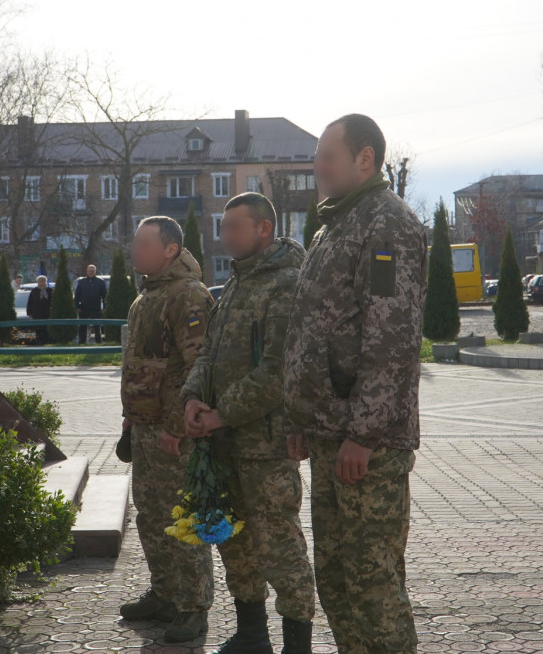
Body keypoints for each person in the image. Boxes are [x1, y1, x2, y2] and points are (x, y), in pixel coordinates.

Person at [283, 114, 427, 654]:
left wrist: (364, 434)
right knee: (338, 581)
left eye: (327, 156)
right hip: (330, 437)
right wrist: (302, 421)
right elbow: (315, 330)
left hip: (364, 446)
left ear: (365, 159)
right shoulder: (335, 225)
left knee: (373, 586)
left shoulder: (385, 224)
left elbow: (391, 338)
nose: (317, 167)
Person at [182, 193, 315, 654]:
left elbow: (279, 371)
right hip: (223, 444)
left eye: (234, 227)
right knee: (233, 541)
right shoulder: (235, 285)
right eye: (223, 227)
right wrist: (194, 397)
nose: (225, 237)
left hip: (265, 445)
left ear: (263, 229)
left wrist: (223, 411)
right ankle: (252, 634)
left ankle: (297, 644)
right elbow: (207, 352)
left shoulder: (286, 284)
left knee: (280, 546)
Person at [119, 216, 215, 643]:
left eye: (143, 244)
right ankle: (165, 593)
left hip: (174, 435)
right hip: (145, 430)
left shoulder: (188, 296)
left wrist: (178, 427)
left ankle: (193, 608)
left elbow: (200, 369)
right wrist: (131, 415)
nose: (135, 250)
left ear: (170, 251)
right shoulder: (146, 296)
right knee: (151, 516)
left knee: (185, 520)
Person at [73, 263, 109, 344]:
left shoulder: (100, 282)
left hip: (96, 308)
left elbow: (104, 296)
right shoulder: (82, 282)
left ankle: (98, 343)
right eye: (89, 271)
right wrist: (77, 306)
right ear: (87, 271)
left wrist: (104, 307)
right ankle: (82, 342)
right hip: (83, 308)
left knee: (97, 327)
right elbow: (77, 295)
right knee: (82, 326)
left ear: (95, 271)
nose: (91, 272)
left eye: (92, 271)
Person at [26, 275, 52, 344]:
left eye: (43, 281)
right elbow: (30, 302)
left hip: (47, 314)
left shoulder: (50, 291)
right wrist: (29, 313)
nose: (42, 283)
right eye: (40, 281)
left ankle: (46, 341)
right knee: (37, 329)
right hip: (36, 314)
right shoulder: (34, 291)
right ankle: (38, 342)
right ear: (37, 282)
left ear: (46, 282)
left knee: (46, 329)